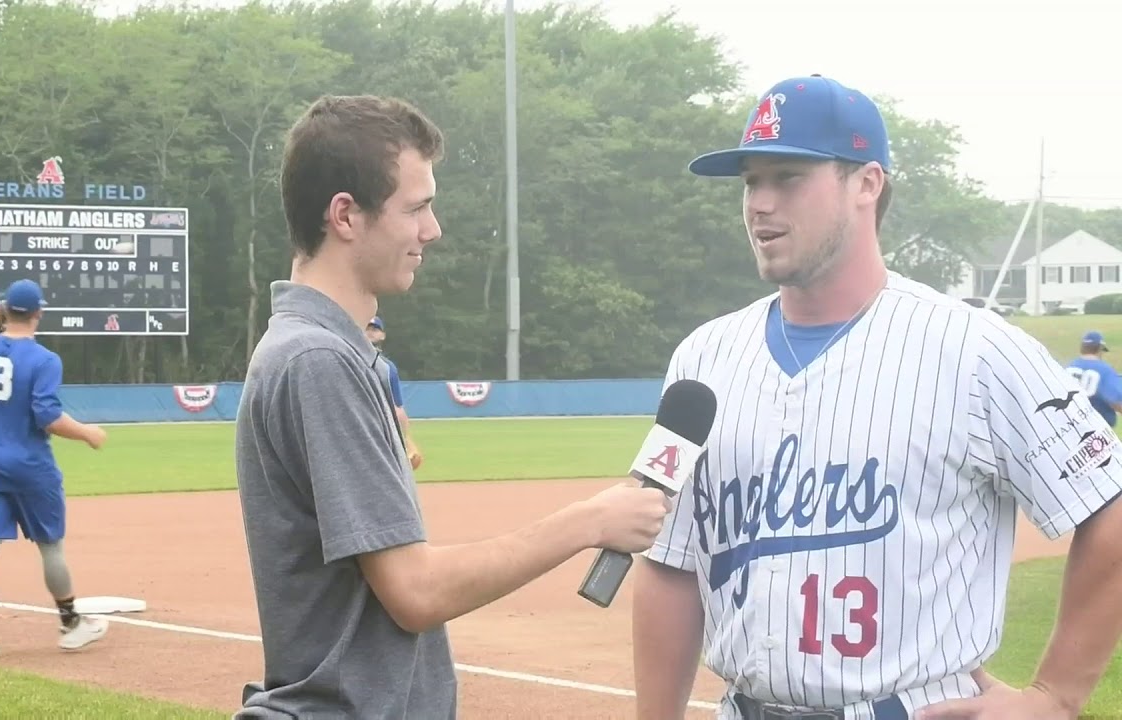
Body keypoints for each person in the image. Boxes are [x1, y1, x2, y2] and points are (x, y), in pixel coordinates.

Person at [631, 74, 1122, 720]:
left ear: (867, 184)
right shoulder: (703, 358)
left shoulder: (974, 350)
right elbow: (670, 564)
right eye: (752, 181)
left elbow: (1108, 506)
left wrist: (1056, 696)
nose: (760, 203)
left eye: (788, 177)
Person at [232, 94, 673, 719]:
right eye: (416, 208)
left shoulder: (325, 352)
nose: (431, 230)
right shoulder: (317, 361)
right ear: (345, 216)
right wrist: (591, 520)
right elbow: (416, 591)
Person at [0, 278, 109, 660]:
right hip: (30, 465)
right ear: (38, 313)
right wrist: (87, 433)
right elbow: (47, 416)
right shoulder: (44, 359)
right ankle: (70, 624)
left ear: (2, 313)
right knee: (50, 545)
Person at [365, 315, 423, 469]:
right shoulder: (383, 366)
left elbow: (398, 408)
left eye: (375, 329)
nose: (370, 332)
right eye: (367, 328)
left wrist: (404, 438)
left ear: (382, 335)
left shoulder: (388, 367)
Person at [1066, 330, 1122, 428]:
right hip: (1098, 428)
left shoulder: (1069, 367)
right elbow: (1115, 401)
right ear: (1099, 349)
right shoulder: (1104, 370)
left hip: (1072, 426)